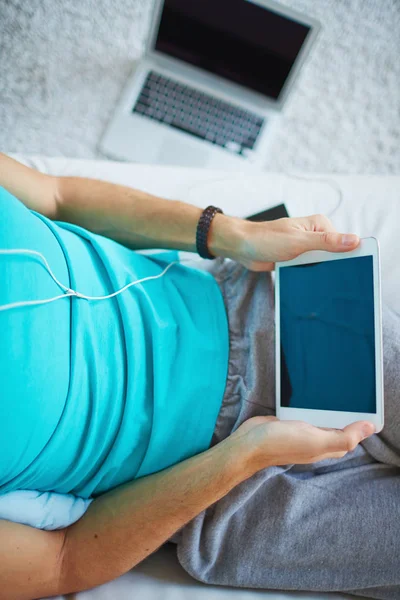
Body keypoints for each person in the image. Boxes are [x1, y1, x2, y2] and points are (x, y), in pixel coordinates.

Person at [0, 152, 398, 600]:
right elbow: (63, 562)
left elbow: (58, 196)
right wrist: (245, 456)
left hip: (262, 317)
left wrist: (237, 235)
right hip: (216, 495)